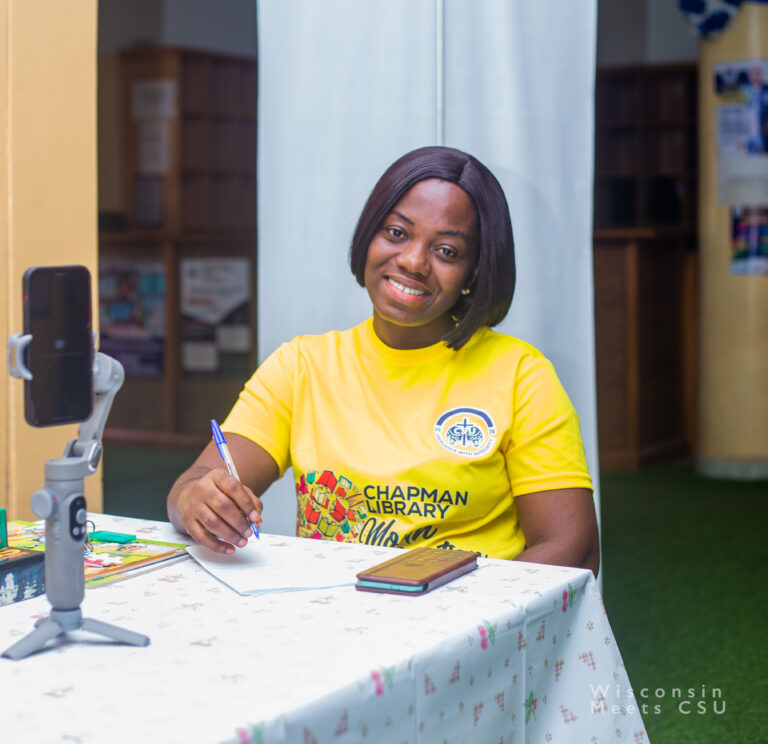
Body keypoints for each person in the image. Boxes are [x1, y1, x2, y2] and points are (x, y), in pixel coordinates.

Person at [167, 146, 600, 576]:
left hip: (473, 614)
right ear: (368, 235)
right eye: (396, 233)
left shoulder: (521, 376)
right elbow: (195, 482)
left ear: (474, 272)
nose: (413, 262)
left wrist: (466, 611)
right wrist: (195, 499)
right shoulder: (301, 367)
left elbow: (572, 548)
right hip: (333, 609)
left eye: (447, 251)